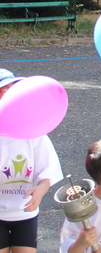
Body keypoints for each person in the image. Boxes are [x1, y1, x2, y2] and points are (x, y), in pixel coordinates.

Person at [0, 71, 63, 253]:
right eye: (4, 91)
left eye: (13, 91)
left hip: (25, 215)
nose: (8, 96)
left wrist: (40, 191)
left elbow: (47, 174)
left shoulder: (34, 132)